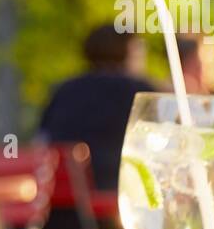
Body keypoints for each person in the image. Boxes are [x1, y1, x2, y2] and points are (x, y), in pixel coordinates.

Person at [38, 23, 155, 190]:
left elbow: (43, 139)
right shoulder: (139, 91)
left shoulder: (64, 89)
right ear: (128, 51)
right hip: (116, 189)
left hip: (60, 194)